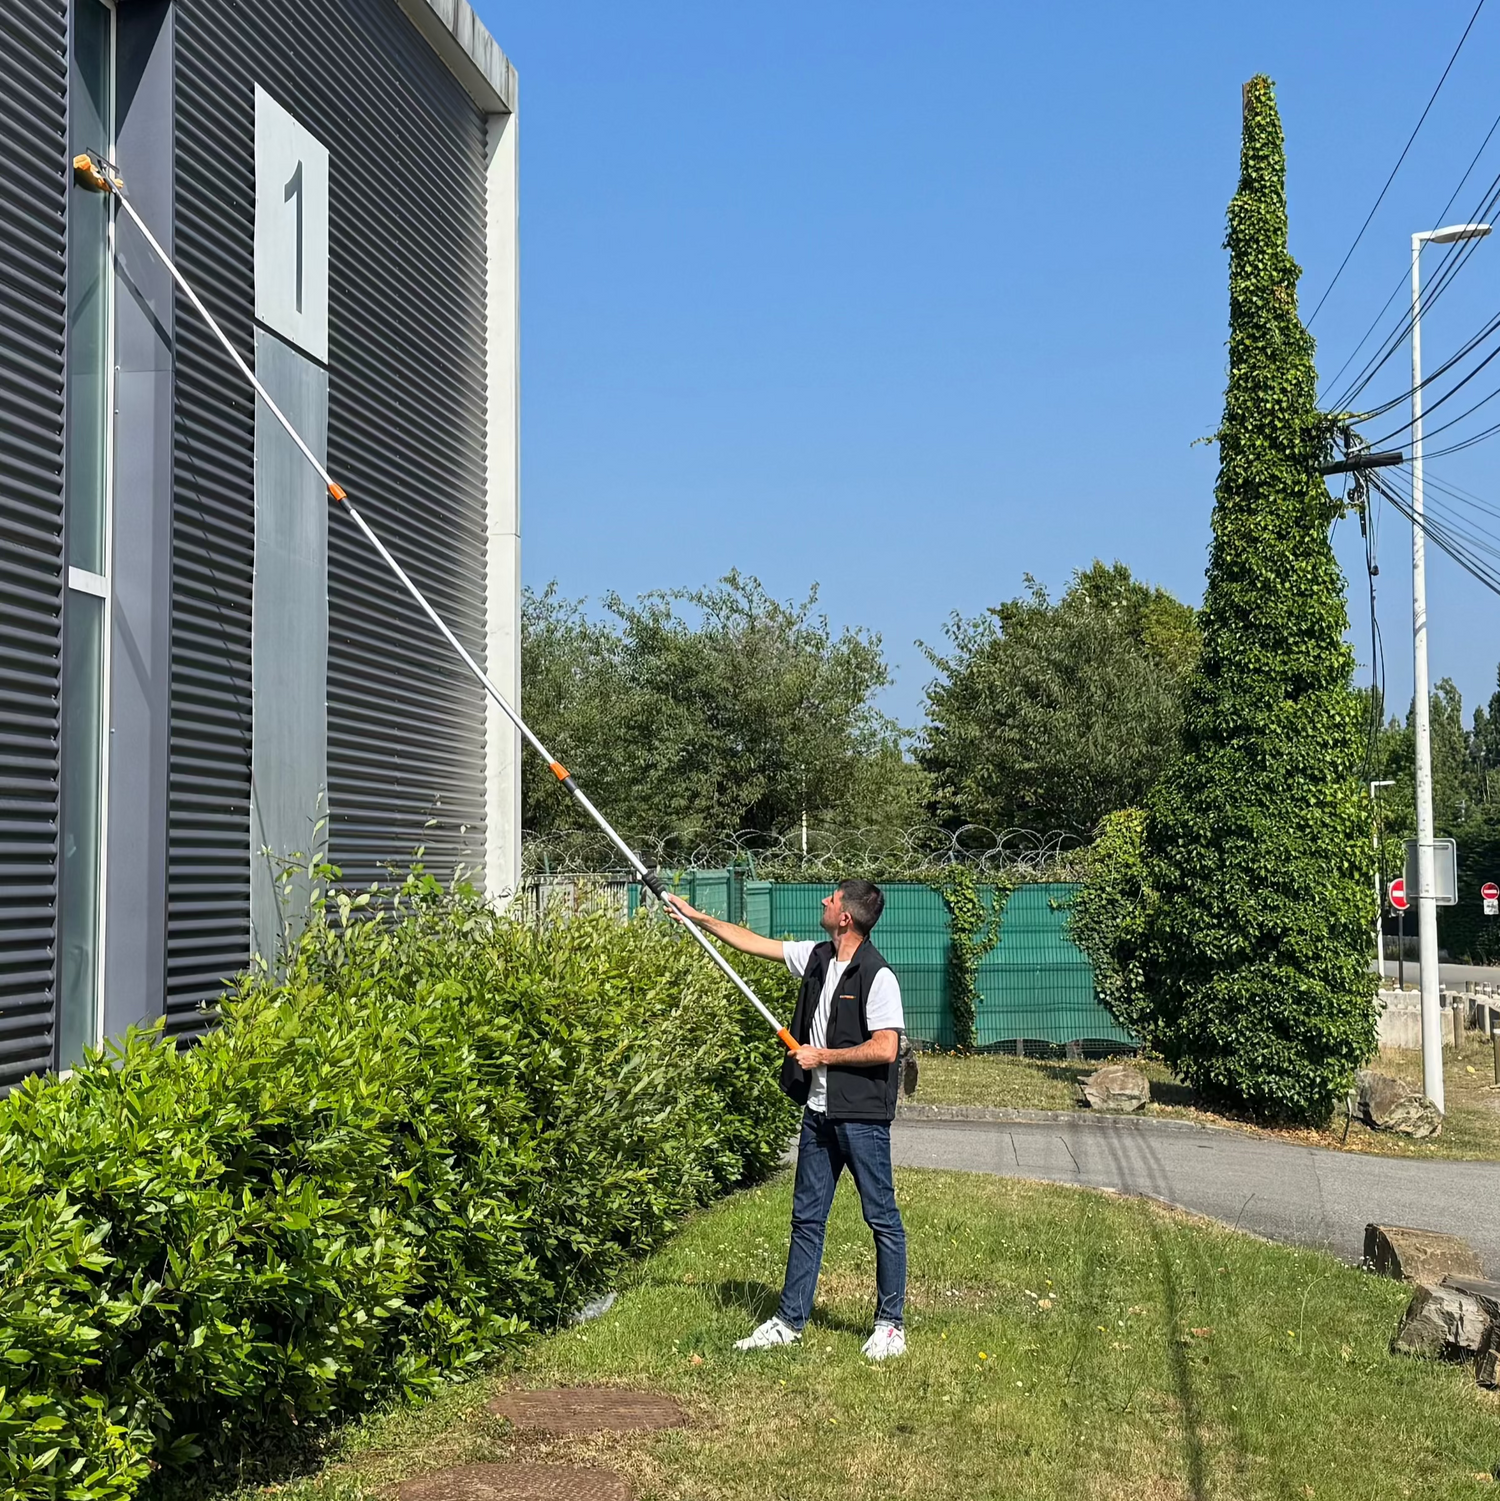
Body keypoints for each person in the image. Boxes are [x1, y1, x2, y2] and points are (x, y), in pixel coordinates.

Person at [665, 878, 907, 1361]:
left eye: (832, 898)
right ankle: (789, 1320)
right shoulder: (817, 957)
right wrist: (700, 919)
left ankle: (890, 1325)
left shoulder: (877, 975)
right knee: (806, 1220)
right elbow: (757, 945)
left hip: (860, 1118)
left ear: (845, 917)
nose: (824, 900)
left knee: (881, 1218)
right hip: (817, 1117)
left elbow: (887, 1047)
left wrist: (826, 1058)